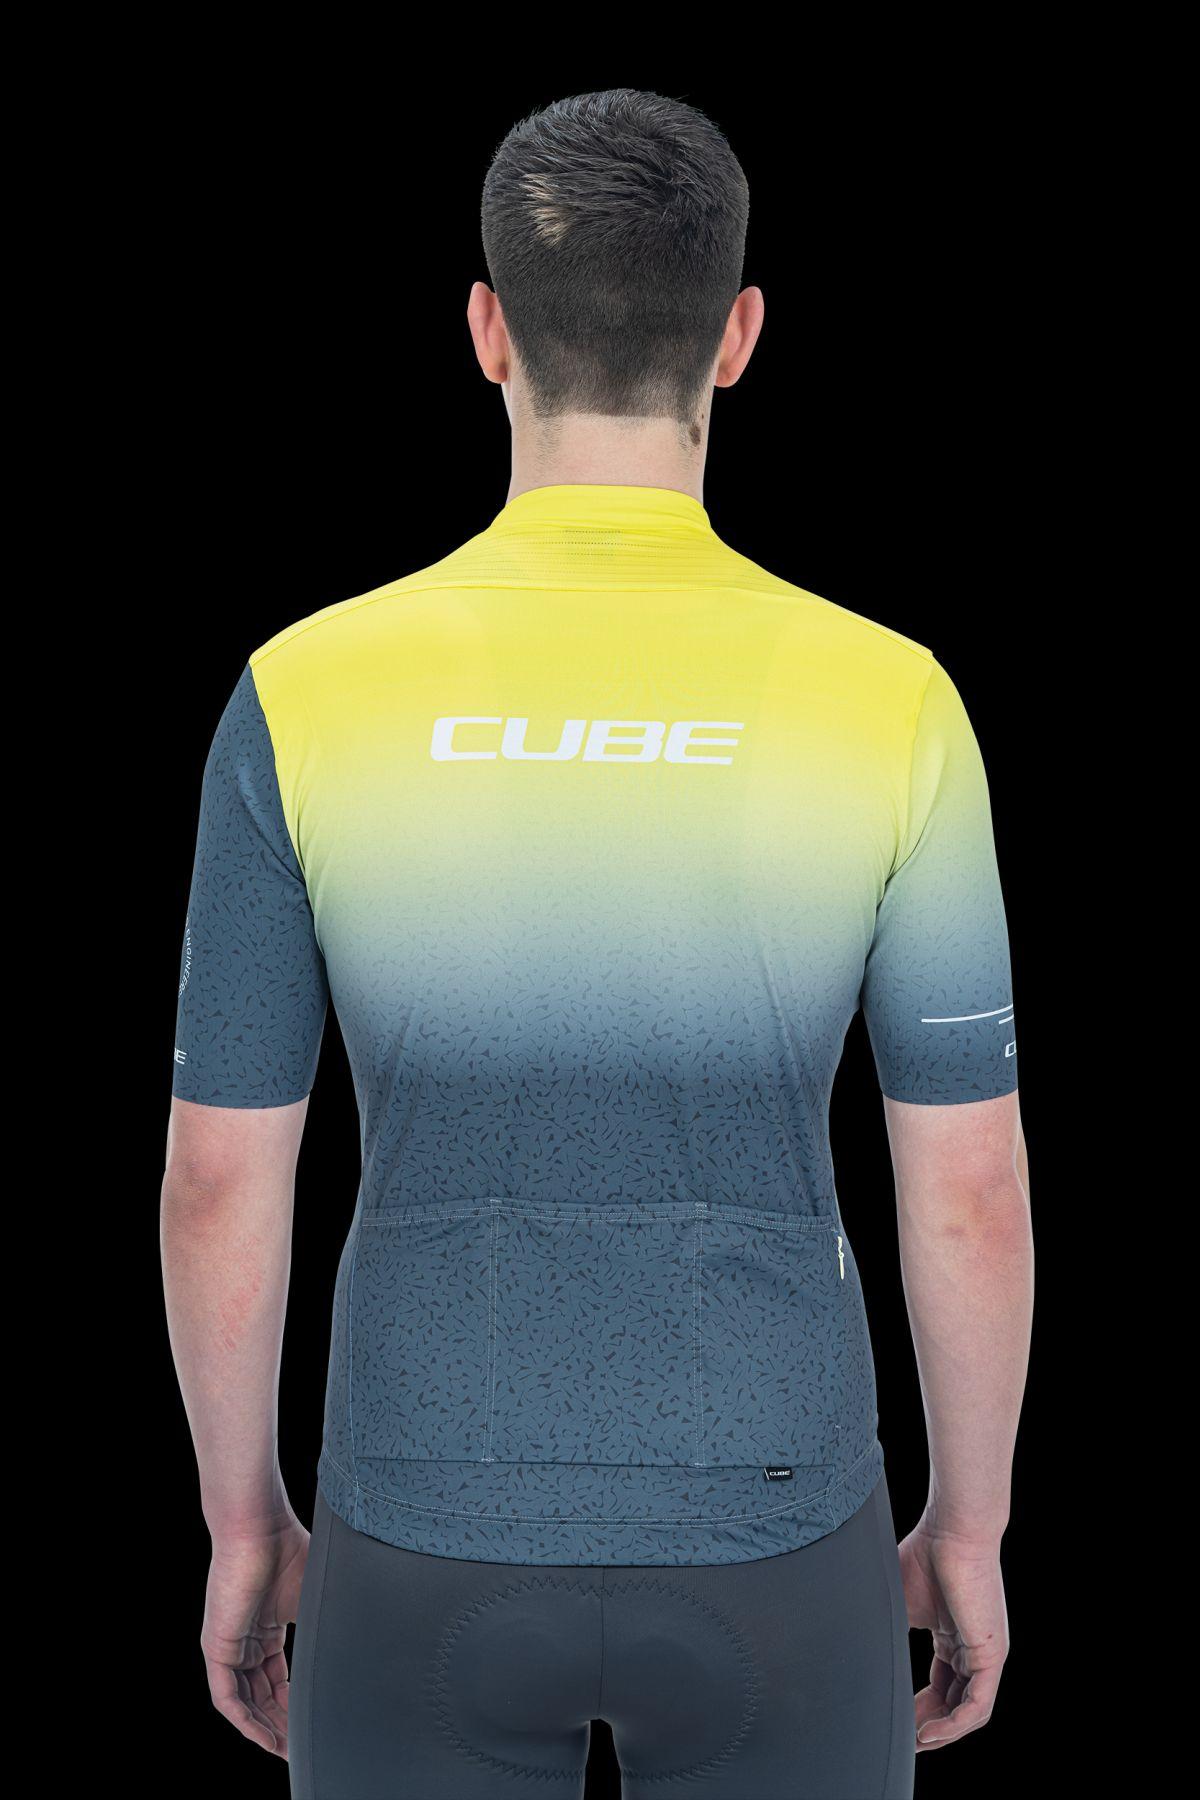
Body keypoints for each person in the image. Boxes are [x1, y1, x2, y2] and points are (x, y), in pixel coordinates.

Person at [160, 88, 1033, 1800]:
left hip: (416, 1522)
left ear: (489, 332)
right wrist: (974, 1526)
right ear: (740, 337)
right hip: (784, 1527)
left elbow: (216, 1177)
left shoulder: (300, 691)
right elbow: (970, 1190)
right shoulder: (895, 701)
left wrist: (244, 1523)